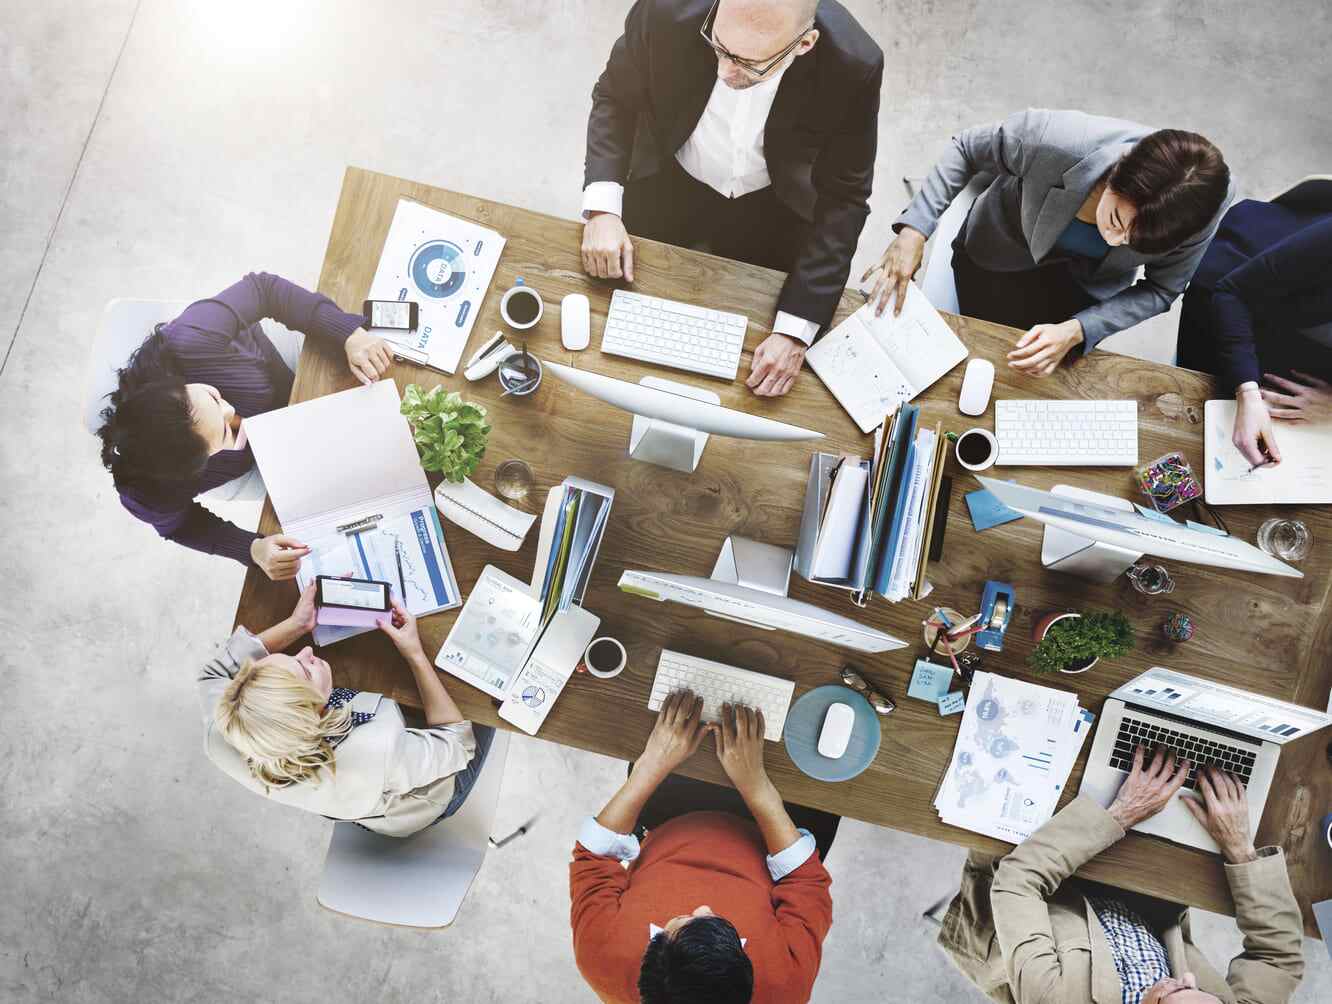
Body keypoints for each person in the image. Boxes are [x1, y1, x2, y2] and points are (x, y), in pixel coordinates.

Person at [580, 0, 883, 398]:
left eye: (750, 64)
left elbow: (845, 196)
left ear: (804, 45)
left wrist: (796, 330)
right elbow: (615, 98)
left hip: (773, 208)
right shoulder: (663, 9)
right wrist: (603, 208)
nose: (724, 73)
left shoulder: (854, 64)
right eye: (718, 46)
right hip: (667, 183)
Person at [867, 109, 1234, 377]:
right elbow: (965, 148)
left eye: (1139, 243)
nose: (1118, 241)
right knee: (975, 348)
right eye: (1118, 221)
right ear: (1117, 173)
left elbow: (1161, 290)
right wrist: (914, 231)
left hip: (1087, 288)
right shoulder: (1054, 139)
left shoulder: (1199, 211)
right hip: (998, 253)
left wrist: (1079, 329)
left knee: (1042, 372)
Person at [937, 747, 1304, 1004]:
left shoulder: (1054, 998)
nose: (1187, 977)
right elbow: (1278, 957)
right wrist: (1240, 848)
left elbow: (1018, 881)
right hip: (1132, 894)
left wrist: (1121, 813)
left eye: (1174, 992)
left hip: (1034, 885)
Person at [96, 271, 393, 579]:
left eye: (213, 397)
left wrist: (348, 334)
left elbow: (264, 289)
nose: (231, 410)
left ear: (177, 386)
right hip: (267, 457)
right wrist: (251, 548)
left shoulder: (192, 338)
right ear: (196, 468)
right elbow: (181, 525)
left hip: (278, 371)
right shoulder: (150, 494)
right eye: (226, 432)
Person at [570, 693, 834, 1003]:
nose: (704, 906)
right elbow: (807, 884)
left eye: (683, 921)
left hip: (671, 813)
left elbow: (594, 858)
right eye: (724, 925)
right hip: (781, 832)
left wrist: (654, 762)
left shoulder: (600, 959)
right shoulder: (786, 989)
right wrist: (756, 786)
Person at [198, 585, 493, 837]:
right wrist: (414, 652)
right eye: (305, 670)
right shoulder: (377, 749)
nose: (308, 652)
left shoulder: (224, 726)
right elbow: (458, 744)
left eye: (288, 657)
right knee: (486, 695)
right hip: (426, 794)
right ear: (316, 714)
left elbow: (213, 674)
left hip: (355, 796)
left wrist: (297, 624)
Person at [1176, 198, 1332, 466]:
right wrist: (1246, 392)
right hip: (1243, 296)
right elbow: (1232, 293)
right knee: (1198, 409)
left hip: (1310, 357)